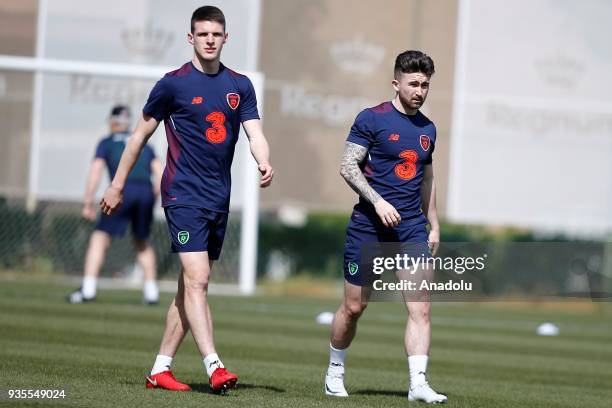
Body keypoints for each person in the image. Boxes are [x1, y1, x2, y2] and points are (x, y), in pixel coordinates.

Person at [99, 6, 273, 393]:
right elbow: (138, 137)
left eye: (216, 34)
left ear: (226, 38)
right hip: (182, 194)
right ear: (190, 37)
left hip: (218, 198)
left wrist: (263, 160)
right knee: (198, 280)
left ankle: (160, 369)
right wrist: (116, 185)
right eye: (203, 33)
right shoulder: (172, 84)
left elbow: (254, 132)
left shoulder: (240, 85)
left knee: (187, 288)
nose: (210, 40)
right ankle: (215, 365)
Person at [324, 50, 447, 404]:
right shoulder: (372, 119)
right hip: (368, 228)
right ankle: (334, 370)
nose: (420, 91)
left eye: (425, 85)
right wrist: (378, 201)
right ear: (396, 84)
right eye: (413, 84)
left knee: (420, 308)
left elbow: (427, 178)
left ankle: (418, 383)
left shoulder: (428, 129)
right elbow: (348, 166)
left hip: (411, 230)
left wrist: (433, 222)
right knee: (354, 308)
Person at [68, 105, 162, 305]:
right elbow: (161, 175)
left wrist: (87, 202)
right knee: (142, 241)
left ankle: (88, 289)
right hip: (145, 191)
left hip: (122, 190)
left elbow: (95, 171)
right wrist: (151, 196)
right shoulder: (143, 143)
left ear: (112, 122)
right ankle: (151, 292)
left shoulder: (106, 142)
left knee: (99, 238)